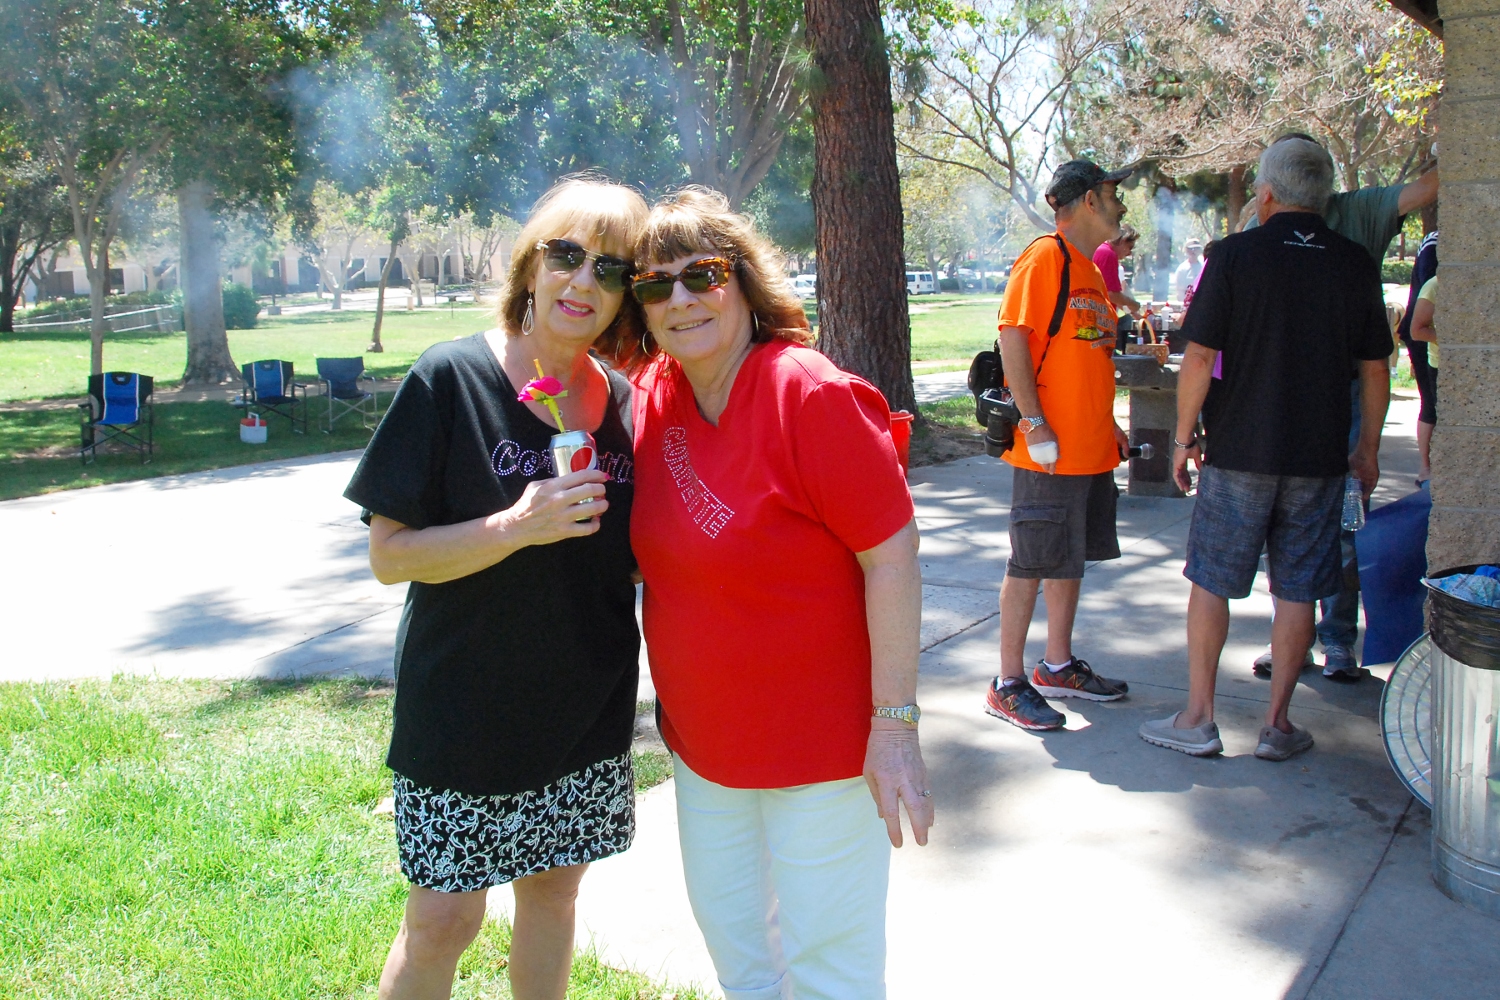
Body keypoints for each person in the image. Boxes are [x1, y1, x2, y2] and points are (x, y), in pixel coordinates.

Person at [625, 188, 932, 1000]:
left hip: (823, 757)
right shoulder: (654, 398)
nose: (681, 299)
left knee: (830, 972)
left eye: (703, 275)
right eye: (656, 285)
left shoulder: (811, 394)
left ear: (746, 283)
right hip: (706, 751)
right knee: (741, 959)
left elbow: (893, 557)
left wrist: (894, 728)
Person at [346, 177, 648, 1000]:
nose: (584, 281)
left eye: (612, 269)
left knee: (555, 894)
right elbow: (391, 556)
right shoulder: (450, 379)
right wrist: (515, 527)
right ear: (530, 266)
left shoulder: (622, 406)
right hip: (464, 710)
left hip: (584, 709)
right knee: (444, 920)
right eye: (567, 255)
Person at [1140, 138, 1392, 760]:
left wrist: (1182, 438)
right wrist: (1368, 448)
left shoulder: (1232, 256)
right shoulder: (1355, 262)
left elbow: (1197, 355)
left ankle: (1198, 718)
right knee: (1298, 588)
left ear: (1268, 193)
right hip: (1318, 457)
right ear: (1324, 195)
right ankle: (1277, 726)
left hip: (1237, 451)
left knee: (1212, 581)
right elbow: (1376, 369)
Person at [1243, 133, 1439, 681]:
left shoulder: (1361, 210)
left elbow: (1427, 188)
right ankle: (1293, 640)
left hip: (1345, 393)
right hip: (1279, 390)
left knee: (1346, 517)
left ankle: (1335, 639)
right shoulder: (1258, 216)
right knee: (1282, 517)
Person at [982, 159, 1133, 732]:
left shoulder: (1090, 270)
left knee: (1068, 558)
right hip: (1048, 450)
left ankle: (1058, 665)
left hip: (1090, 450)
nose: (1122, 205)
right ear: (1091, 199)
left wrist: (1107, 424)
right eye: (1115, 194)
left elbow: (1086, 357)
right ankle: (1008, 682)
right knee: (1031, 560)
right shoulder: (1045, 256)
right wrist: (1033, 421)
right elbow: (1012, 335)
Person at [1399, 230, 1439, 485]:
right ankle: (1425, 468)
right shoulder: (1434, 242)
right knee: (1430, 404)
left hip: (1426, 333)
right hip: (1423, 334)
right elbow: (1429, 284)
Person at [1094, 225, 1142, 353]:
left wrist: (1131, 311)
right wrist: (1133, 304)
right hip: (1100, 320)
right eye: (1130, 247)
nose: (1130, 252)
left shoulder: (1102, 250)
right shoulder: (1108, 254)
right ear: (1122, 241)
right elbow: (1111, 294)